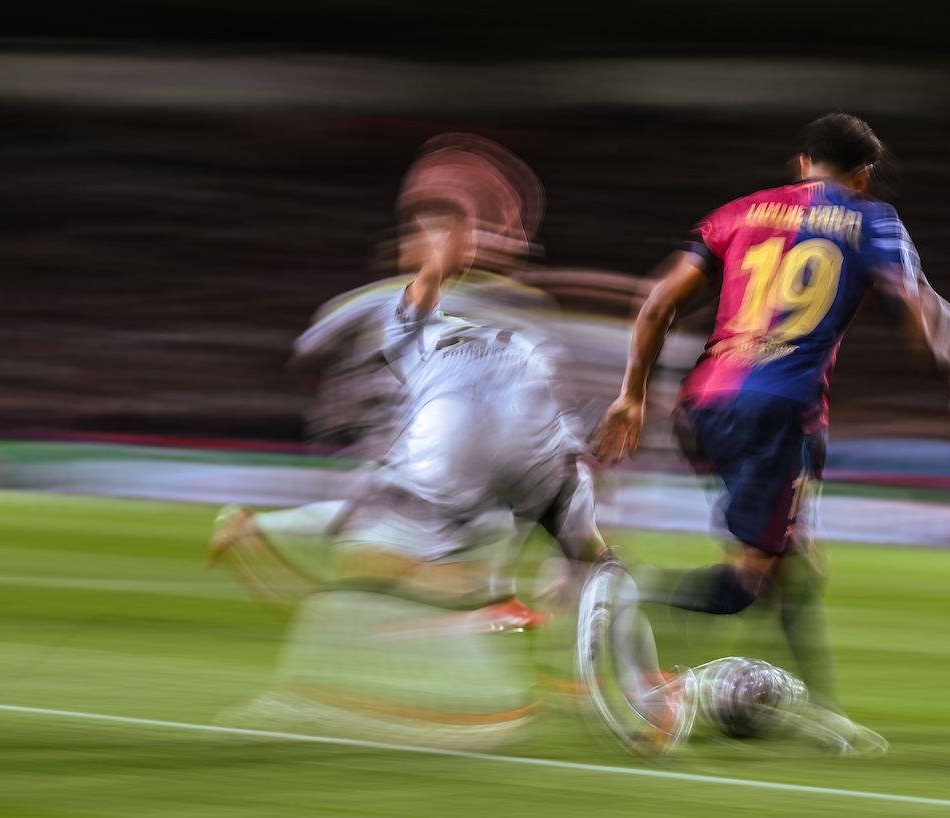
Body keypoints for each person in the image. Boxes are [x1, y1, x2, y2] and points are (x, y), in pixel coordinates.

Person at [209, 133, 687, 752]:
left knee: (387, 544)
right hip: (529, 455)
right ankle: (639, 686)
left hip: (494, 453)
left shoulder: (439, 328)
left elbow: (429, 290)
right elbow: (428, 290)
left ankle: (489, 605)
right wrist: (447, 249)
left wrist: (445, 248)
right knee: (591, 560)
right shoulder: (433, 327)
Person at [590, 113, 950, 753]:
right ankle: (625, 595)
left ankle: (819, 709)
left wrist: (631, 397)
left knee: (794, 565)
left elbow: (658, 303)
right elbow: (921, 304)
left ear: (800, 164)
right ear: (864, 175)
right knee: (744, 586)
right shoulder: (872, 220)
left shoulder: (737, 214)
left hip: (705, 403)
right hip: (778, 412)